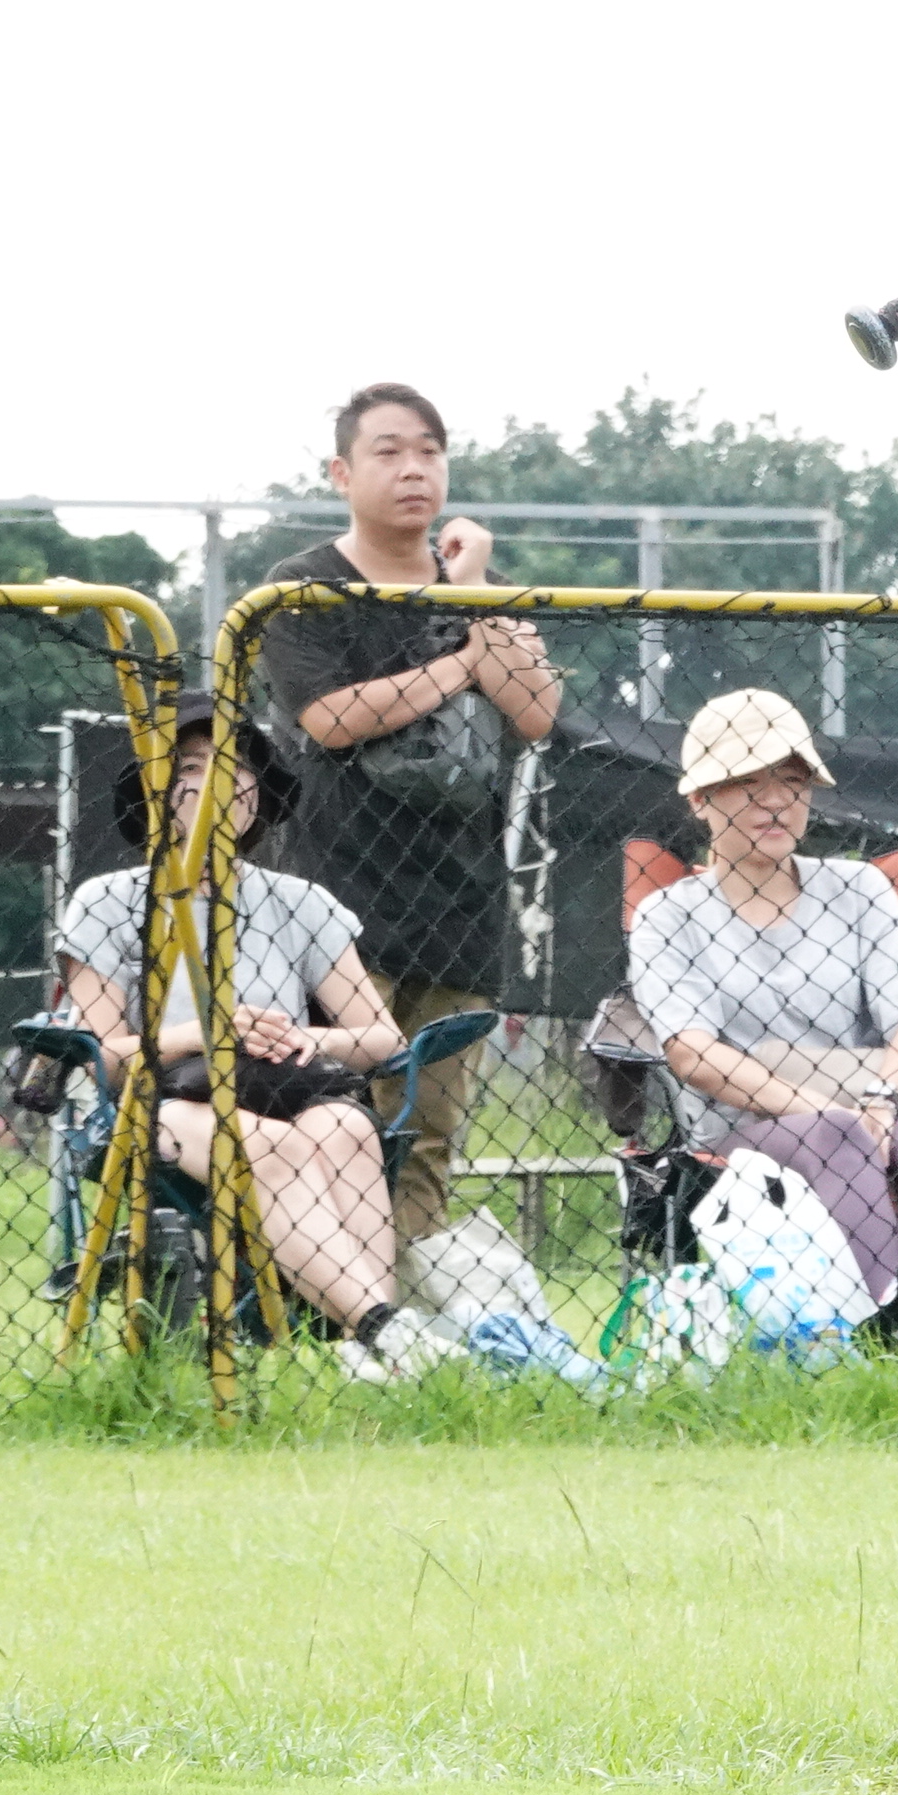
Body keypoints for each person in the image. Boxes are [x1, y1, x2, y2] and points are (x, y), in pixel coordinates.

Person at [51, 694, 460, 1380]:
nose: (216, 782)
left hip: (285, 1086)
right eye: (190, 766)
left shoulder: (302, 903)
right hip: (157, 1103)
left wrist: (306, 1040)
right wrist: (208, 1034)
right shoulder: (109, 901)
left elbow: (380, 1037)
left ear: (257, 795)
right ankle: (381, 1328)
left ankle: (373, 1353)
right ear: (156, 791)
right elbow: (108, 1056)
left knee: (348, 1129)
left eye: (234, 767)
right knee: (270, 1147)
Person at [259, 382, 562, 1245]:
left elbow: (535, 710)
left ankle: (409, 1298)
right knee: (325, 1117)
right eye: (389, 452)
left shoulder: (482, 589)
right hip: (336, 903)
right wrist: (463, 661)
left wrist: (467, 591)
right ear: (342, 472)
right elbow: (331, 718)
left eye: (429, 451)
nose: (413, 469)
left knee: (427, 1136)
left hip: (460, 900)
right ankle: (322, 1297)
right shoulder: (301, 587)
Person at [624, 688, 898, 1322]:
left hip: (873, 1103)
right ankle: (888, 1318)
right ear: (700, 799)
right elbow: (693, 1054)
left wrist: (883, 1102)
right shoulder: (668, 915)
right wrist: (830, 1110)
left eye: (792, 782)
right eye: (748, 783)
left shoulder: (860, 887)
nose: (776, 801)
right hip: (740, 1130)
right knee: (836, 1133)